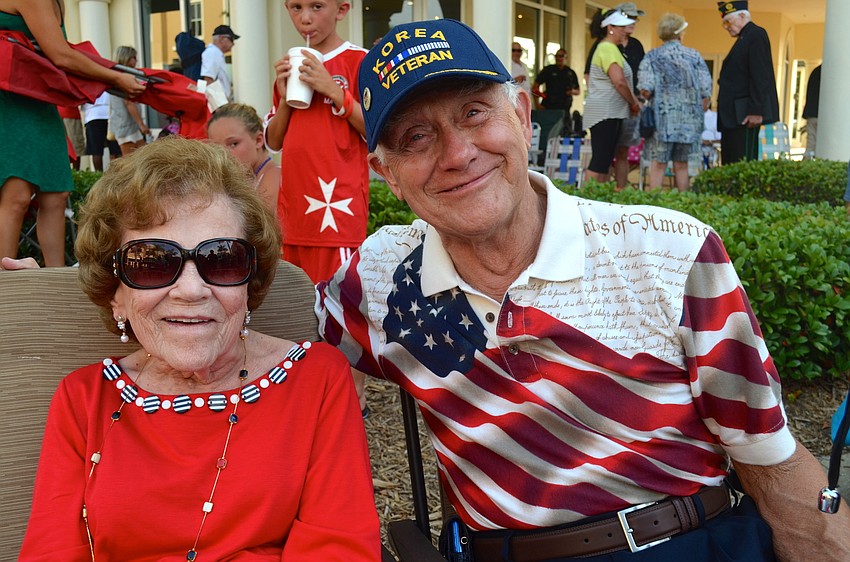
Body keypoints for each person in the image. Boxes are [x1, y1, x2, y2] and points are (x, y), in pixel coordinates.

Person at [318, 18, 850, 562]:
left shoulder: (669, 252)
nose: (457, 153)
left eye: (474, 113)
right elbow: (253, 318)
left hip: (683, 543)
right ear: (386, 172)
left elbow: (769, 456)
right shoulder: (382, 276)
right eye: (416, 138)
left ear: (523, 118)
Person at [18, 137, 380, 560]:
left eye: (221, 259)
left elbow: (340, 549)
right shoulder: (83, 399)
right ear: (115, 293)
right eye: (151, 261)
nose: (191, 290)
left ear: (250, 283)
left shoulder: (316, 380)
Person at [0, 0, 144, 267]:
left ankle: (57, 280)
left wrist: (110, 76)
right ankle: (4, 289)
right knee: (16, 195)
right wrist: (114, 78)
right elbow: (61, 55)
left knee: (56, 194)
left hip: (38, 99)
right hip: (10, 99)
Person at [264, 0, 370, 285]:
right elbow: (274, 142)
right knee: (299, 305)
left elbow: (377, 132)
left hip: (338, 212)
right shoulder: (288, 67)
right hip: (295, 212)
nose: (305, 18)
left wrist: (334, 91)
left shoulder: (361, 62)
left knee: (339, 304)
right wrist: (285, 99)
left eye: (317, 6)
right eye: (296, 8)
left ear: (342, 10)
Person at [637, 13, 711, 191]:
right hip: (688, 123)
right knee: (682, 164)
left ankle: (655, 206)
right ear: (680, 34)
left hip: (662, 122)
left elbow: (645, 89)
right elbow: (705, 91)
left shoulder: (652, 57)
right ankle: (683, 205)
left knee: (659, 164)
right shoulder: (694, 56)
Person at [584, 3, 646, 189]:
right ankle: (588, 200)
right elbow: (619, 81)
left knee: (604, 160)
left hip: (611, 111)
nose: (624, 31)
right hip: (605, 111)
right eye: (621, 27)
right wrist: (634, 102)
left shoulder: (610, 48)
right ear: (610, 28)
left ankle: (599, 198)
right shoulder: (607, 48)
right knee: (600, 160)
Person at [717, 1, 779, 164]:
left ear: (743, 15)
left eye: (728, 21)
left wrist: (756, 110)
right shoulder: (744, 38)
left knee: (741, 162)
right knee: (730, 162)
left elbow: (760, 74)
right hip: (733, 116)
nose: (726, 27)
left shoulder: (756, 35)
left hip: (744, 114)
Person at [207, 102, 281, 215]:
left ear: (258, 140)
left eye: (233, 144)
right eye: (217, 148)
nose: (224, 154)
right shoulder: (247, 181)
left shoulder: (275, 178)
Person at [109, 46, 150, 156]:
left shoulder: (121, 75)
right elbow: (128, 102)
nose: (136, 60)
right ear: (126, 58)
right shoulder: (122, 77)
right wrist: (141, 124)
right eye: (133, 57)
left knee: (141, 156)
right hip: (125, 125)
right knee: (130, 160)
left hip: (130, 125)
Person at [532, 48, 580, 117]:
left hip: (564, 109)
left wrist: (572, 91)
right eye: (556, 56)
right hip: (549, 107)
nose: (558, 58)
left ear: (566, 58)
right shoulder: (548, 70)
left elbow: (578, 91)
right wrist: (537, 105)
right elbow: (535, 87)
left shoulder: (570, 73)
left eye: (561, 56)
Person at [82, 91, 122, 172]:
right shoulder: (110, 78)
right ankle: (116, 176)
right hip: (110, 113)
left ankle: (98, 176)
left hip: (92, 115)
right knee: (115, 150)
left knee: (96, 151)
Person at [201, 24, 239, 100]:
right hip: (217, 103)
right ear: (222, 38)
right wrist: (216, 105)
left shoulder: (216, 53)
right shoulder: (212, 53)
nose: (233, 43)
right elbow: (208, 79)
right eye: (231, 39)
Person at [58, 104, 85, 171]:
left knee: (61, 147)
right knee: (75, 146)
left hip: (58, 114)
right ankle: (76, 173)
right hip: (70, 113)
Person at [802, 64, 821, 158]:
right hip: (823, 116)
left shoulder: (816, 71)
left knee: (811, 144)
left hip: (812, 114)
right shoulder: (833, 72)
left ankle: (806, 167)